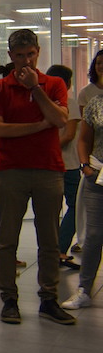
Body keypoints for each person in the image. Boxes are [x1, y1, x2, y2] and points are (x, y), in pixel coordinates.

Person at [0, 29, 75, 325]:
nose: (26, 60)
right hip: (11, 171)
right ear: (11, 56)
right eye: (20, 55)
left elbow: (60, 120)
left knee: (49, 239)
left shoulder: (54, 84)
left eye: (31, 54)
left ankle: (48, 299)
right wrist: (39, 126)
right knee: (7, 239)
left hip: (49, 170)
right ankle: (9, 299)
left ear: (38, 53)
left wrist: (35, 89)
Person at [65, 88, 103, 310]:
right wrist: (85, 166)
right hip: (97, 174)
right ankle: (84, 290)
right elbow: (83, 139)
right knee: (93, 235)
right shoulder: (95, 104)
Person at [46, 65, 81, 270]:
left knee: (51, 210)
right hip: (67, 164)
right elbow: (69, 135)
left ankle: (51, 251)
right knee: (76, 206)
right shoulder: (69, 102)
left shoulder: (43, 102)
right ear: (67, 83)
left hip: (48, 163)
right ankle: (59, 250)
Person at [72, 49, 103, 253]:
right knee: (93, 233)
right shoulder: (90, 97)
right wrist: (85, 165)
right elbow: (85, 135)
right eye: (99, 62)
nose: (101, 66)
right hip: (96, 168)